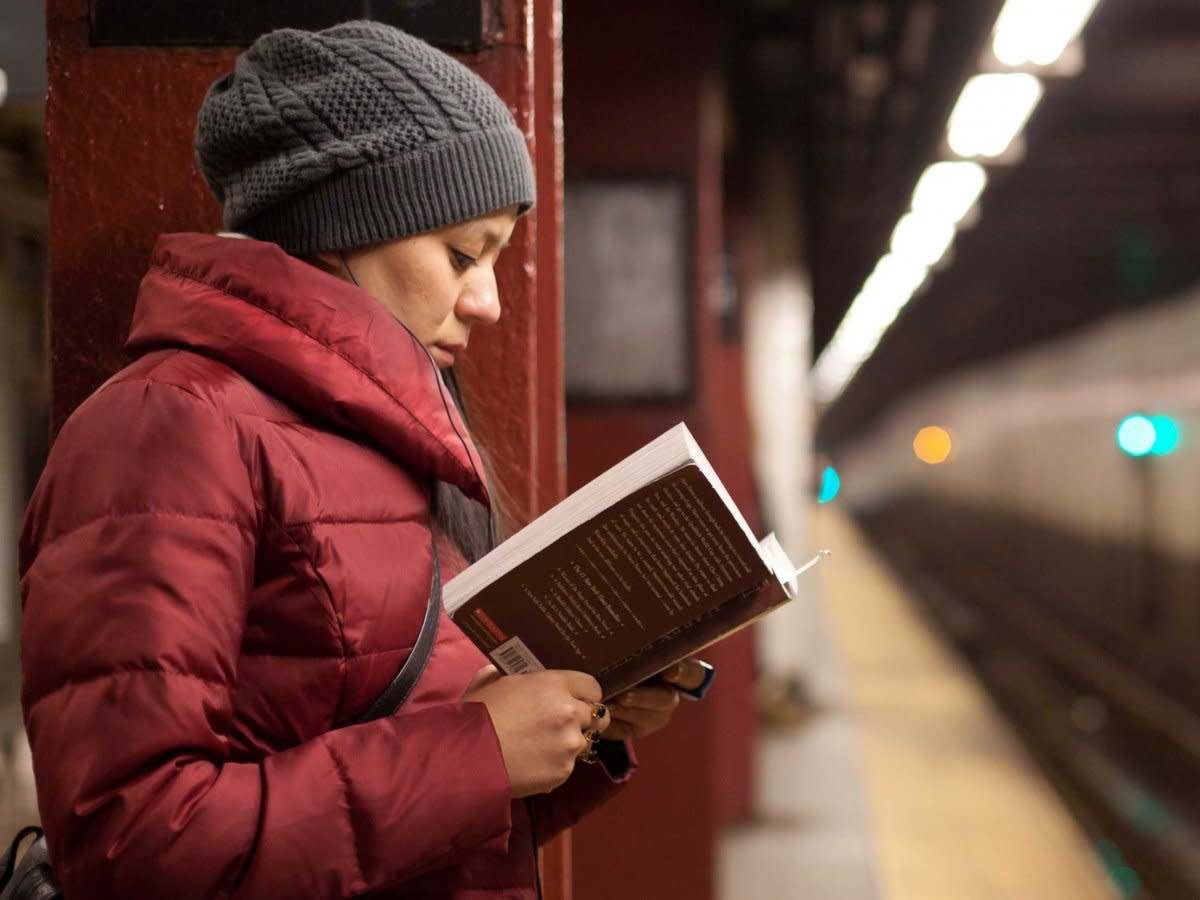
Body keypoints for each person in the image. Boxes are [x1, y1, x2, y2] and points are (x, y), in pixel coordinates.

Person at [18, 21, 702, 900]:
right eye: (463, 254)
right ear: (344, 226)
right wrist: (477, 753)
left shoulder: (391, 435)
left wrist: (577, 732)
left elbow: (420, 821)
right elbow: (132, 845)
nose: (488, 300)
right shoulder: (168, 427)